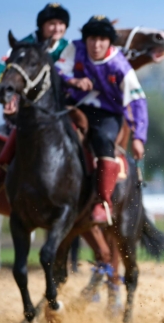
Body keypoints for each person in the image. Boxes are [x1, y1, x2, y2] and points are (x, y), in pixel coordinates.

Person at [56, 15, 148, 225]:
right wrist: (74, 81)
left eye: (101, 39)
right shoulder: (74, 48)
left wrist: (139, 137)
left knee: (102, 140)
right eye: (91, 39)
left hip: (107, 114)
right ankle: (2, 170)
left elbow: (137, 101)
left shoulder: (120, 66)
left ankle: (103, 203)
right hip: (73, 106)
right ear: (85, 39)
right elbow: (58, 69)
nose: (96, 45)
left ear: (109, 41)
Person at [0, 2, 71, 189]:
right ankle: (2, 168)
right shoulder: (25, 45)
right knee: (22, 125)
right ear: (42, 25)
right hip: (30, 104)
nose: (57, 28)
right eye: (52, 23)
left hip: (62, 104)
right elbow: (1, 65)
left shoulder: (69, 47)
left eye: (61, 24)